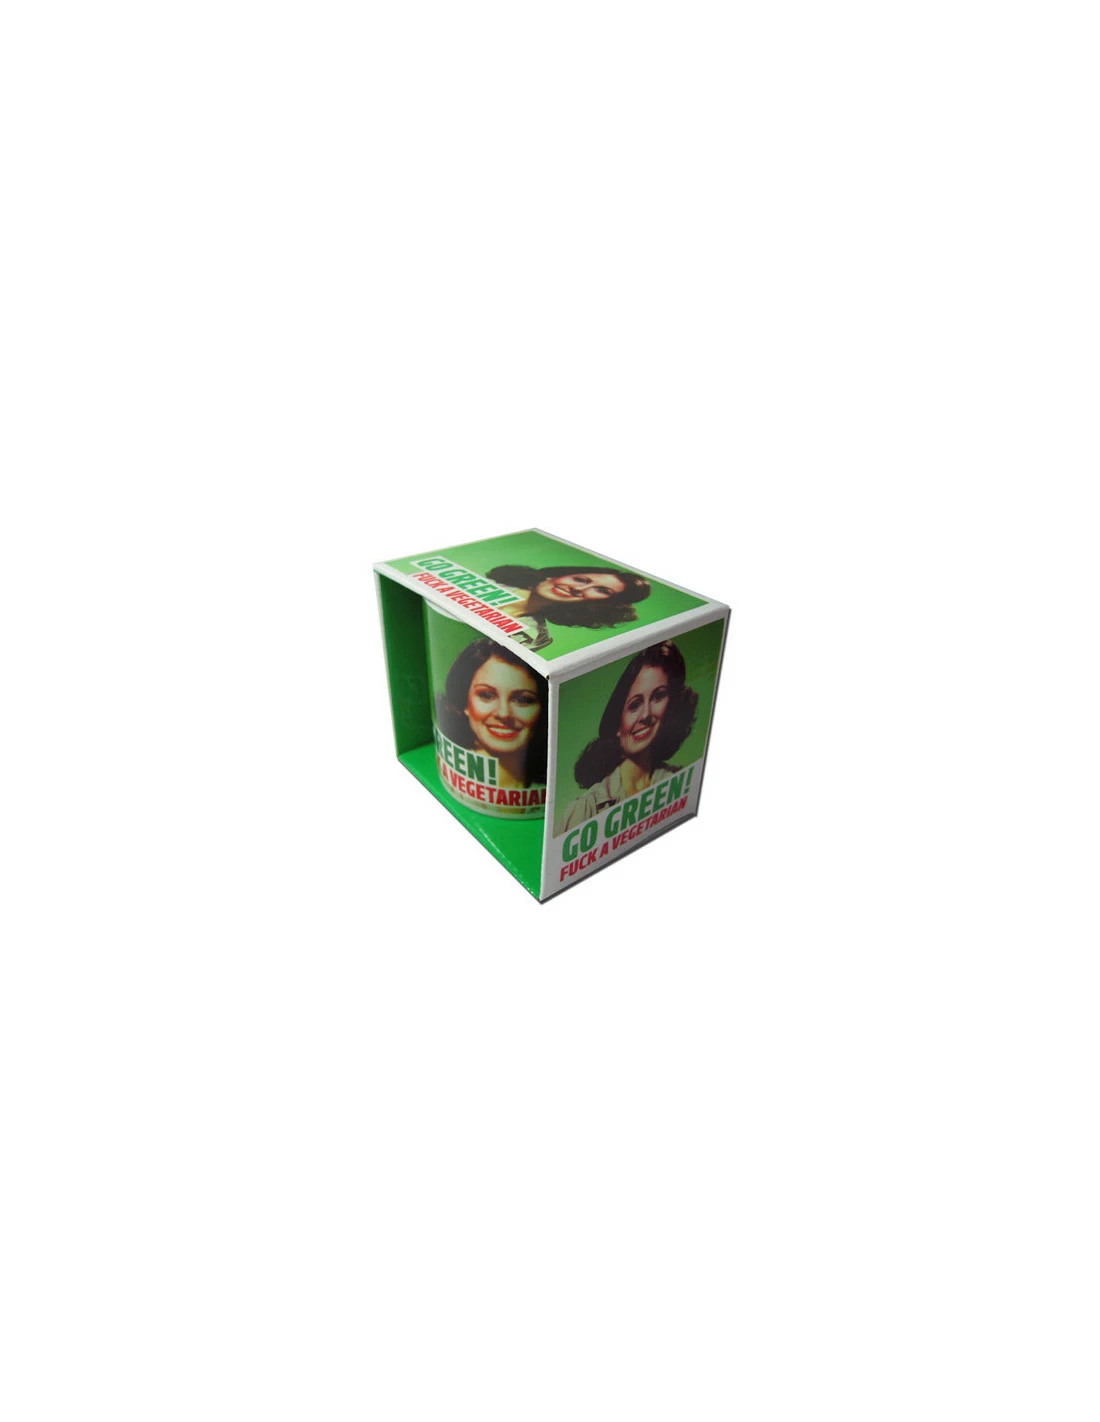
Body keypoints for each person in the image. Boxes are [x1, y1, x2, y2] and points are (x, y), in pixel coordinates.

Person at [560, 641, 698, 831]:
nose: (646, 714)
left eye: (658, 697)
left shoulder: (679, 781)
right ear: (618, 724)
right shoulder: (585, 810)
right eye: (635, 705)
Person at [434, 638, 548, 789]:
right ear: (464, 702)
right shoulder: (451, 778)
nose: (504, 713)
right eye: (487, 695)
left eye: (523, 700)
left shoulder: (553, 789)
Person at [485, 563, 651, 652]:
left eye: (601, 591)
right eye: (580, 580)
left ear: (600, 604)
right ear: (559, 574)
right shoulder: (490, 584)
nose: (578, 588)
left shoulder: (536, 637)